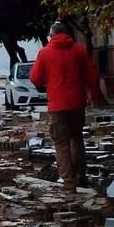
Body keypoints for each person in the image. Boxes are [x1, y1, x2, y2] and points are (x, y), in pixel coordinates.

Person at [30, 21, 100, 195]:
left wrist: (48, 80)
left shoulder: (45, 53)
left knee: (61, 144)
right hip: (77, 103)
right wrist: (94, 95)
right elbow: (92, 74)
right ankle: (80, 174)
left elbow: (35, 78)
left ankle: (69, 184)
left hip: (57, 106)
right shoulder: (79, 50)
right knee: (76, 138)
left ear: (51, 35)